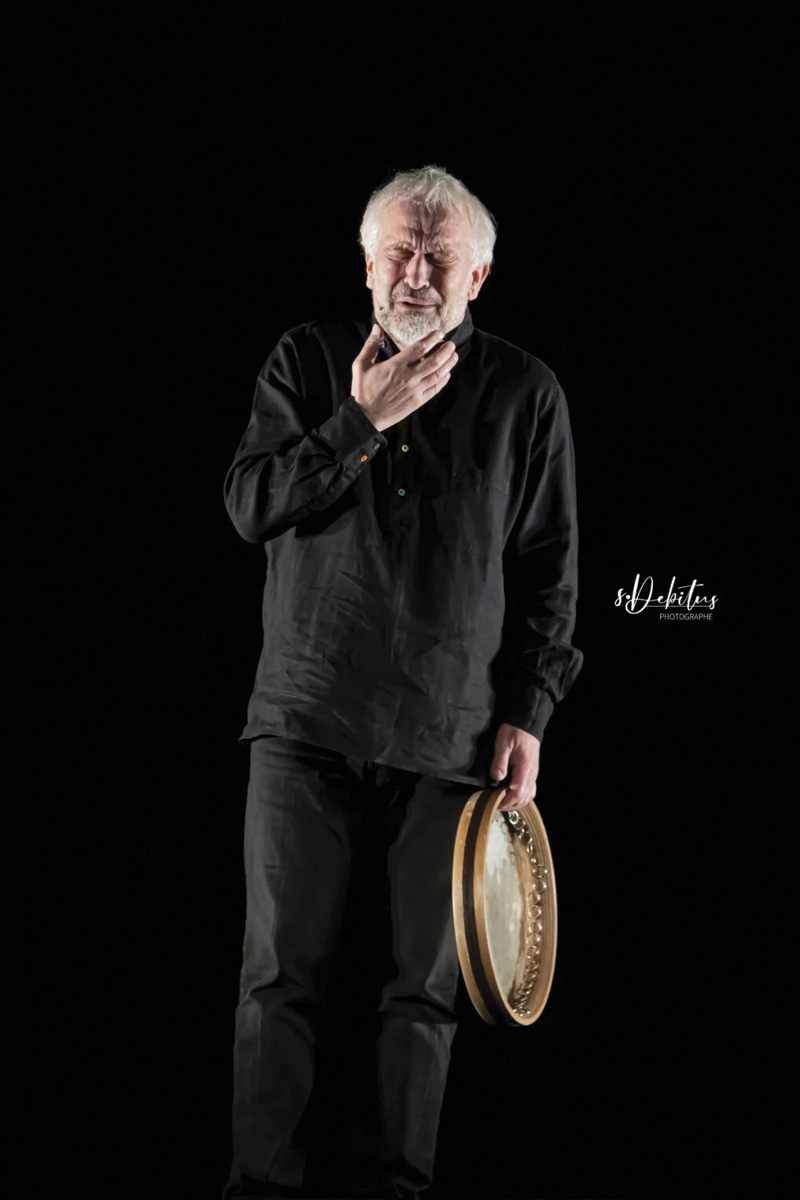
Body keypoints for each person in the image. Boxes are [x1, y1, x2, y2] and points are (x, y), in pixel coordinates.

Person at [221, 165, 584, 1199]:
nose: (416, 273)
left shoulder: (527, 393)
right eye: (399, 252)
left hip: (451, 738)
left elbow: (550, 574)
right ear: (368, 261)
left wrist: (529, 712)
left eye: (438, 256)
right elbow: (249, 505)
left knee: (422, 999)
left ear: (479, 274)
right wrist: (357, 421)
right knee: (277, 984)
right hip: (303, 720)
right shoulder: (306, 359)